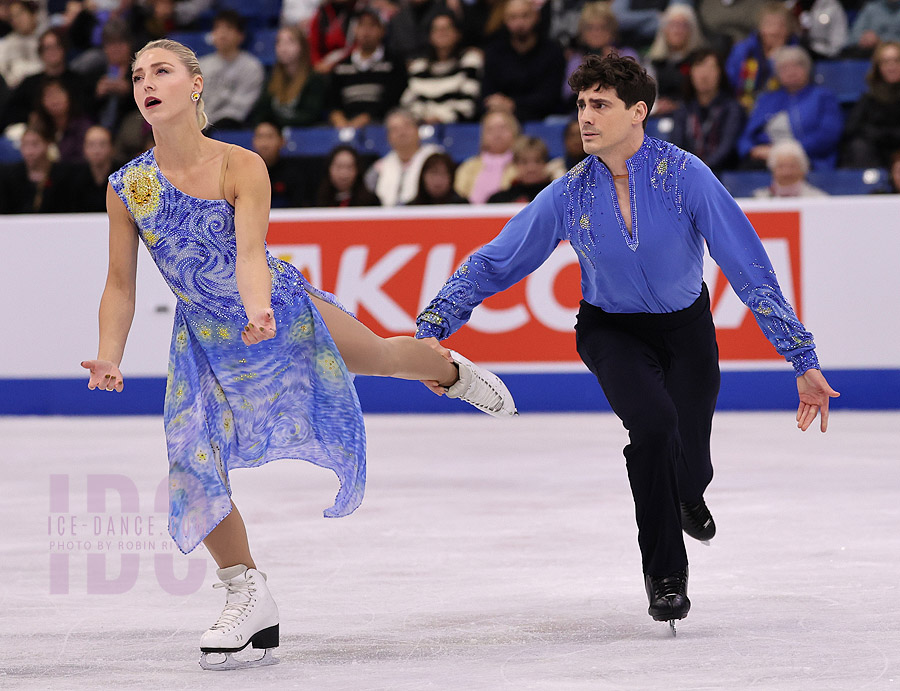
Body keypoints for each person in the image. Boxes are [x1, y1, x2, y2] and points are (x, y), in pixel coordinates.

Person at [81, 38, 516, 672]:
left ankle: (448, 371)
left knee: (383, 357)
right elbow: (121, 283)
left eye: (162, 71)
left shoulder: (241, 165)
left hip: (276, 311)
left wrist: (259, 308)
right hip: (203, 340)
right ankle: (245, 589)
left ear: (195, 86)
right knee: (190, 458)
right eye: (138, 75)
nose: (146, 83)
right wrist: (108, 354)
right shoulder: (128, 188)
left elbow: (252, 252)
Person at [414, 54, 838, 631]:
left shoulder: (686, 175)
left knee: (691, 465)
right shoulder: (568, 194)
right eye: (582, 105)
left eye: (600, 105)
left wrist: (801, 358)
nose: (585, 117)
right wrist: (431, 328)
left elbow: (748, 266)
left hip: (686, 331)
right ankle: (666, 575)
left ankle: (689, 492)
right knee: (654, 428)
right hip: (610, 330)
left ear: (639, 112)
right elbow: (498, 260)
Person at [737, 46, 843, 170]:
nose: (791, 72)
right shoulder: (766, 99)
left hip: (807, 158)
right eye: (784, 68)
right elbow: (746, 137)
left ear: (807, 68)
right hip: (765, 158)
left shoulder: (823, 97)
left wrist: (784, 152)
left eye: (796, 66)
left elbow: (827, 135)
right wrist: (752, 150)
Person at [481, 0, 566, 121]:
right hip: (503, 117)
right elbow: (487, 95)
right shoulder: (494, 52)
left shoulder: (553, 51)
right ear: (504, 19)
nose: (519, 23)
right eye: (513, 17)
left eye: (525, 15)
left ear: (537, 16)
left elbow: (550, 97)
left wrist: (513, 104)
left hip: (543, 118)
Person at [400, 10, 483, 124]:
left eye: (447, 28)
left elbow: (468, 103)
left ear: (458, 33)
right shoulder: (419, 67)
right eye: (436, 29)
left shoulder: (470, 61)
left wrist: (442, 118)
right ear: (430, 36)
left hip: (457, 127)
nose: (441, 33)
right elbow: (408, 102)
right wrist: (422, 119)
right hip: (421, 126)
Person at [328, 8, 406, 129]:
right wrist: (340, 121)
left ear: (382, 30)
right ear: (355, 30)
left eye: (372, 26)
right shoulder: (341, 67)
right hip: (345, 124)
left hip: (382, 125)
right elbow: (332, 101)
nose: (366, 31)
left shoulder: (394, 64)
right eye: (361, 25)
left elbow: (392, 100)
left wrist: (365, 118)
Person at [669, 49, 744, 173]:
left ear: (720, 73)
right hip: (687, 172)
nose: (704, 75)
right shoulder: (684, 108)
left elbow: (727, 146)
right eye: (698, 68)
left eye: (710, 68)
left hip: (721, 173)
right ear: (691, 74)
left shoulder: (731, 108)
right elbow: (676, 144)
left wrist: (702, 168)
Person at [198, 10, 265, 129]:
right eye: (218, 28)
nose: (222, 34)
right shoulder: (200, 65)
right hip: (199, 123)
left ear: (241, 36)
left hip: (229, 127)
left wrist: (210, 125)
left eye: (228, 28)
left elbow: (239, 109)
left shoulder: (251, 67)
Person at [725, 2, 797, 111]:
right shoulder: (743, 50)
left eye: (781, 26)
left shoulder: (797, 55)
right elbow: (729, 83)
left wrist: (775, 60)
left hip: (781, 110)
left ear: (789, 30)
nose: (774, 31)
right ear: (760, 27)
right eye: (769, 24)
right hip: (741, 108)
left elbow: (794, 91)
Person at [363, 107, 442, 206]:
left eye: (406, 126)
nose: (401, 133)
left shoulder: (436, 160)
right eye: (395, 129)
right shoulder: (379, 169)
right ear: (388, 137)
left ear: (417, 130)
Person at [253, 26, 326, 129]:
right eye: (279, 43)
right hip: (274, 134)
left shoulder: (314, 79)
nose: (283, 48)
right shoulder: (271, 79)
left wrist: (276, 123)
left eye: (290, 42)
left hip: (302, 134)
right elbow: (260, 112)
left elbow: (310, 116)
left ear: (302, 47)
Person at [841, 41, 900, 168]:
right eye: (885, 62)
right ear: (878, 67)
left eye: (896, 60)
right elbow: (852, 129)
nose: (892, 66)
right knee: (858, 147)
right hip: (875, 155)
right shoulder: (868, 98)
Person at [645, 4, 705, 117]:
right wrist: (657, 106)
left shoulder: (698, 60)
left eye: (683, 25)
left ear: (692, 30)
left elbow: (703, 98)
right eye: (673, 25)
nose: (678, 30)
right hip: (657, 116)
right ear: (664, 29)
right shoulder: (653, 61)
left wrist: (677, 106)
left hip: (690, 116)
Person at [454, 109, 520, 203]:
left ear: (514, 131)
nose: (497, 134)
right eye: (491, 129)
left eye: (503, 128)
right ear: (483, 135)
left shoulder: (521, 166)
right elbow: (460, 196)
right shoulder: (468, 166)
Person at [28, 77, 93, 164]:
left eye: (58, 93)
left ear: (69, 96)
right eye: (49, 95)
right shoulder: (39, 125)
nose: (54, 99)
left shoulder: (84, 126)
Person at [251, 120, 310, 208]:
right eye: (260, 137)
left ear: (282, 141)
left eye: (269, 137)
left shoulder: (294, 173)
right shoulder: (246, 173)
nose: (264, 144)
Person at [486, 135, 556, 203]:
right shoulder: (498, 200)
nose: (531, 168)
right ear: (515, 164)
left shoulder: (557, 196)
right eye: (524, 162)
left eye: (537, 161)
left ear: (546, 163)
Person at [752, 138, 828, 197]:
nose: (786, 172)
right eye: (781, 167)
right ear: (772, 169)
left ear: (803, 169)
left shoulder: (818, 199)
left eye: (792, 166)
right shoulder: (759, 199)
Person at [315, 143, 381, 207]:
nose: (344, 173)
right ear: (329, 169)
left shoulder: (371, 202)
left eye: (349, 167)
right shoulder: (317, 200)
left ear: (357, 170)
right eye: (339, 167)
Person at [0, 0, 41, 90]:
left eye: (20, 14)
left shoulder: (47, 37)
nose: (17, 20)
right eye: (12, 18)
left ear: (33, 14)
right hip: (17, 90)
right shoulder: (6, 44)